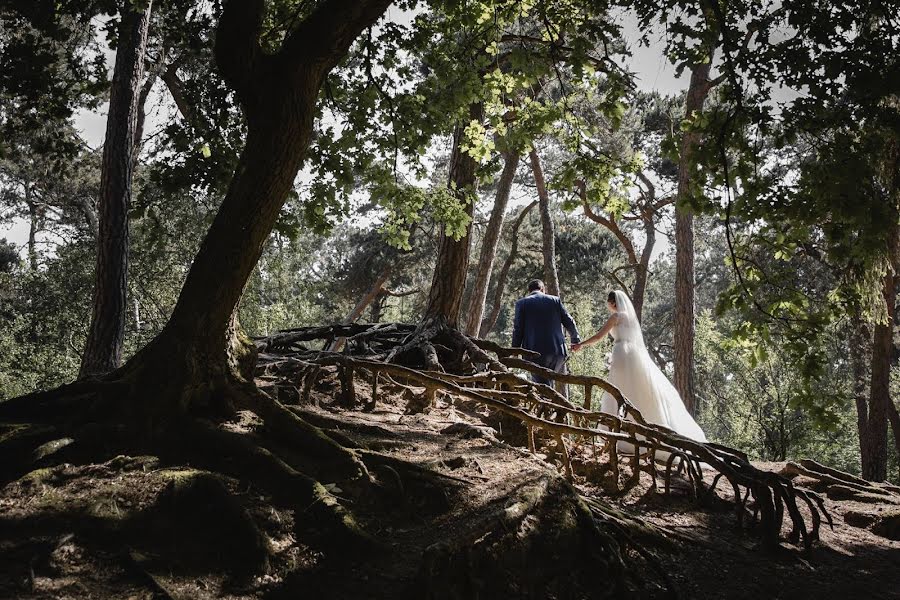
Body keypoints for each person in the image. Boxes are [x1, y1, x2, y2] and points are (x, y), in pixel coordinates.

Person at [572, 290, 706, 443]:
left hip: (621, 354)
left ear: (613, 303)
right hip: (635, 355)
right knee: (637, 391)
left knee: (619, 389)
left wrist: (580, 344)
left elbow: (598, 336)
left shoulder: (616, 317)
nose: (607, 305)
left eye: (608, 302)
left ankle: (617, 431)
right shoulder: (630, 317)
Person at [511, 279, 581, 396]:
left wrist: (515, 350)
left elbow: (518, 329)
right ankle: (548, 408)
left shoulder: (522, 303)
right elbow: (569, 321)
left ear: (529, 291)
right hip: (557, 351)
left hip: (533, 352)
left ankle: (548, 409)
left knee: (543, 386)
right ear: (543, 289)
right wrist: (575, 340)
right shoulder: (555, 300)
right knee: (546, 382)